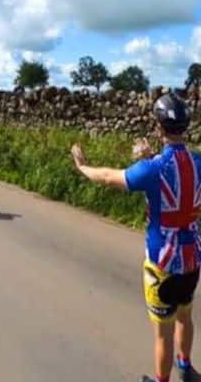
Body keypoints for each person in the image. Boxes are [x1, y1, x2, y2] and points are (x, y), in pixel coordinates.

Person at [71, 92, 201, 382]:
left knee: (162, 334)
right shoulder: (198, 162)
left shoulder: (152, 169)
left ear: (158, 128)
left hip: (162, 264)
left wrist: (82, 166)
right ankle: (185, 366)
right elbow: (178, 176)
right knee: (185, 315)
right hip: (192, 258)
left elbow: (106, 177)